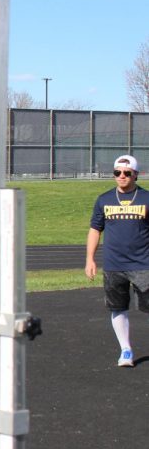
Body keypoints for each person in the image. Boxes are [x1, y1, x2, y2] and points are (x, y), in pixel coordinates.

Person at [85, 154, 149, 368]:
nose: (122, 176)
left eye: (127, 173)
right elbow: (95, 229)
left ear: (135, 175)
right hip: (114, 265)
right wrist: (90, 259)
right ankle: (126, 350)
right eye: (117, 173)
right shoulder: (104, 199)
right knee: (118, 307)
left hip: (143, 263)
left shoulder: (146, 198)